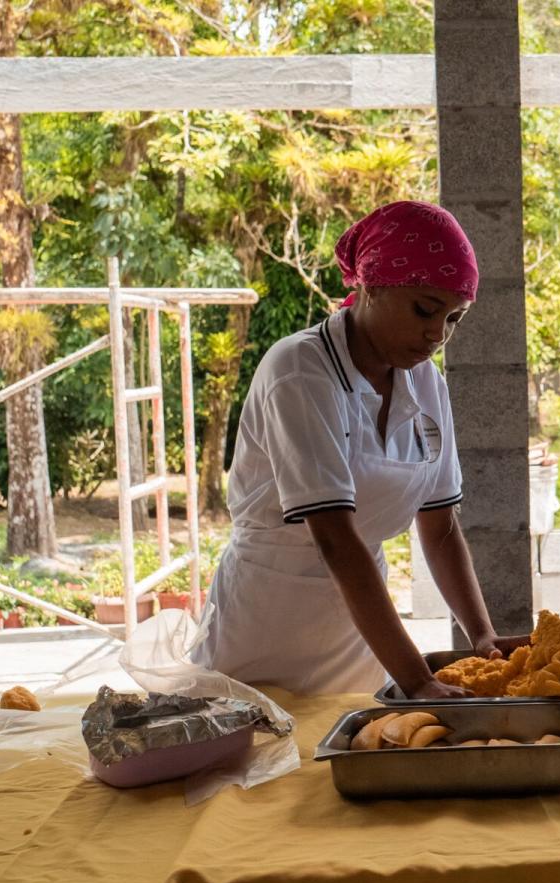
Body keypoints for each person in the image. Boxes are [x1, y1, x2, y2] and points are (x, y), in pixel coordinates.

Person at [192, 200, 521, 697]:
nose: (437, 334)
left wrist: (482, 637)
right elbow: (335, 540)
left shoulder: (425, 382)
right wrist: (417, 680)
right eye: (424, 310)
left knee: (358, 731)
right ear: (371, 285)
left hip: (361, 634)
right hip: (266, 623)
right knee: (260, 738)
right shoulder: (300, 370)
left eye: (454, 318)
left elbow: (440, 529)